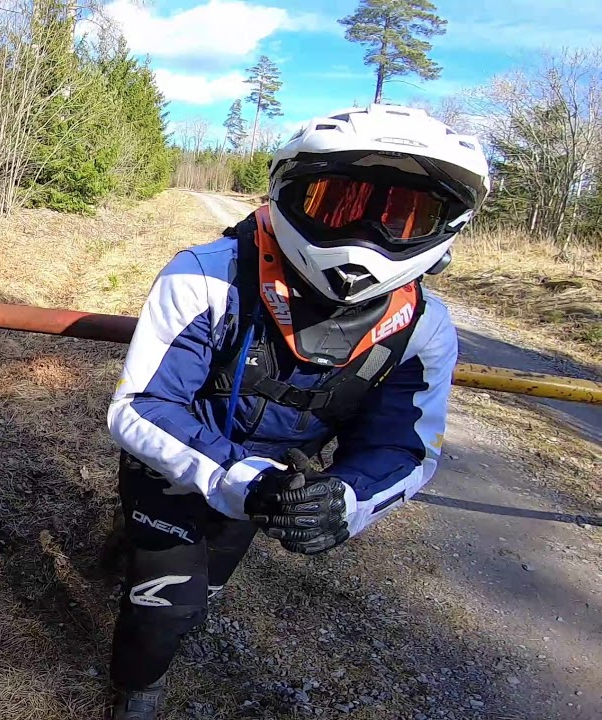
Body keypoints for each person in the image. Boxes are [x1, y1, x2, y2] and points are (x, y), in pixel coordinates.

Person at [105, 104, 490, 719]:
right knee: (168, 606)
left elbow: (406, 446)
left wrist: (347, 498)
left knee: (210, 586)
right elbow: (142, 407)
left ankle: (131, 545)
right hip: (176, 462)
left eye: (402, 216)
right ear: (288, 192)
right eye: (339, 204)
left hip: (274, 479)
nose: (366, 236)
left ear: (445, 227)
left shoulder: (422, 327)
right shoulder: (207, 276)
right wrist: (243, 479)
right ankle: (136, 690)